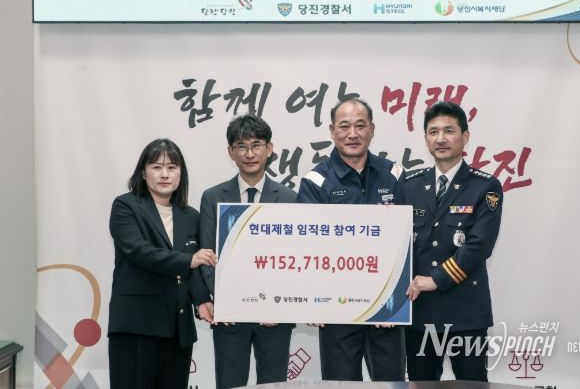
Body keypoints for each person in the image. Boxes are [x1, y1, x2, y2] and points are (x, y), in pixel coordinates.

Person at [297, 98, 406, 382]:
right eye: (344, 126)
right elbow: (306, 247)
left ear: (372, 129)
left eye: (360, 125)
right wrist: (312, 299)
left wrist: (396, 299)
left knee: (391, 382)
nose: (353, 134)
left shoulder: (394, 175)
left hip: (386, 305)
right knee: (340, 383)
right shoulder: (315, 181)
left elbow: (408, 241)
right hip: (336, 306)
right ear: (332, 131)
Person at [402, 102, 503, 382]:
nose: (441, 138)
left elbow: (479, 246)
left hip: (466, 312)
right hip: (419, 312)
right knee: (421, 384)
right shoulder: (409, 186)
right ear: (426, 140)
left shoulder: (485, 186)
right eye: (433, 132)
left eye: (449, 130)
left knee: (471, 384)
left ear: (465, 136)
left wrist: (435, 279)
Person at [197, 114, 297, 389]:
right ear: (231, 152)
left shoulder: (289, 198)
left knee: (274, 385)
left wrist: (280, 305)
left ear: (269, 148)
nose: (250, 154)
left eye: (256, 145)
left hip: (274, 317)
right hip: (230, 318)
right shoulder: (213, 197)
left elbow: (295, 259)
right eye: (241, 146)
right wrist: (226, 300)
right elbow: (207, 256)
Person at [108, 138, 217, 389]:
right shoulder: (125, 206)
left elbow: (194, 268)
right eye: (156, 167)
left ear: (181, 173)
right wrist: (189, 260)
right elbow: (140, 252)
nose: (164, 174)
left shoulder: (191, 216)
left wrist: (202, 300)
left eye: (172, 167)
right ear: (143, 172)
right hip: (137, 326)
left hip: (178, 330)